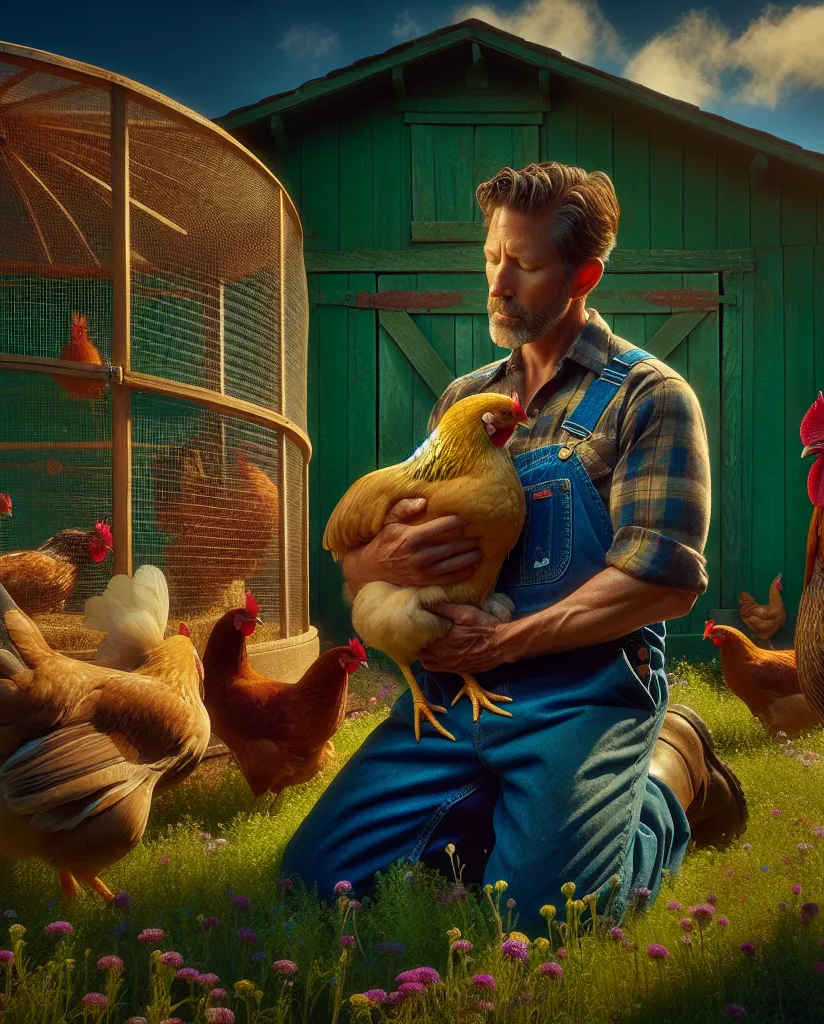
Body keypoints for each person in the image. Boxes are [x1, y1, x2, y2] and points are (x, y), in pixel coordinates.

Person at [280, 162, 746, 923]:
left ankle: (670, 773)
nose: (497, 283)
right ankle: (512, 811)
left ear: (584, 274)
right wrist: (377, 562)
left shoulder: (648, 396)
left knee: (550, 923)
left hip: (581, 692)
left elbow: (662, 581)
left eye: (523, 266)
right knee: (310, 887)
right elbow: (373, 546)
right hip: (452, 694)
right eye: (493, 258)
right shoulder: (463, 401)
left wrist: (505, 643)